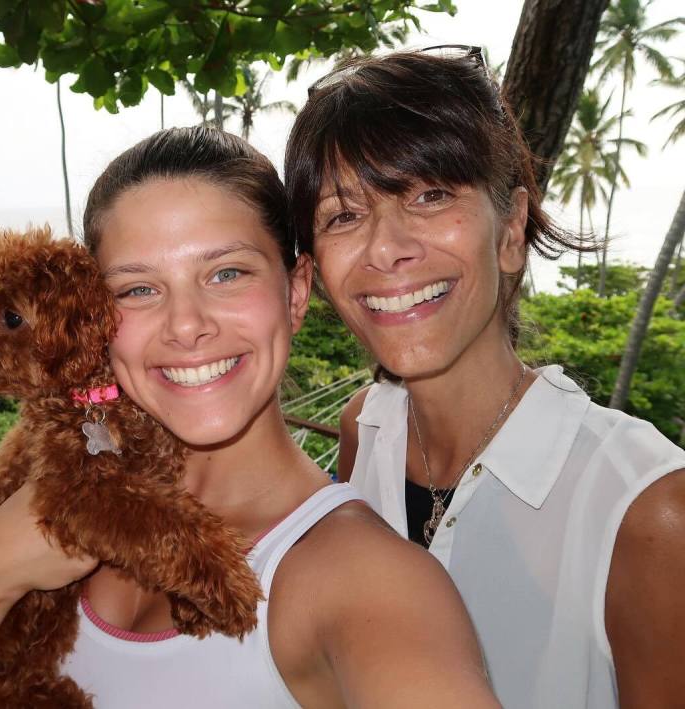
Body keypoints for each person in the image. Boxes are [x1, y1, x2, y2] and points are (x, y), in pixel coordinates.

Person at [0, 126, 499, 708]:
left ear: (296, 292)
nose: (187, 325)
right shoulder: (45, 491)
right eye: (137, 289)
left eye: (226, 273)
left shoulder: (367, 584)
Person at [283, 49, 685, 709]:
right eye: (343, 215)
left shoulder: (643, 513)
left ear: (512, 227)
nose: (387, 246)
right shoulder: (367, 430)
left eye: (431, 194)